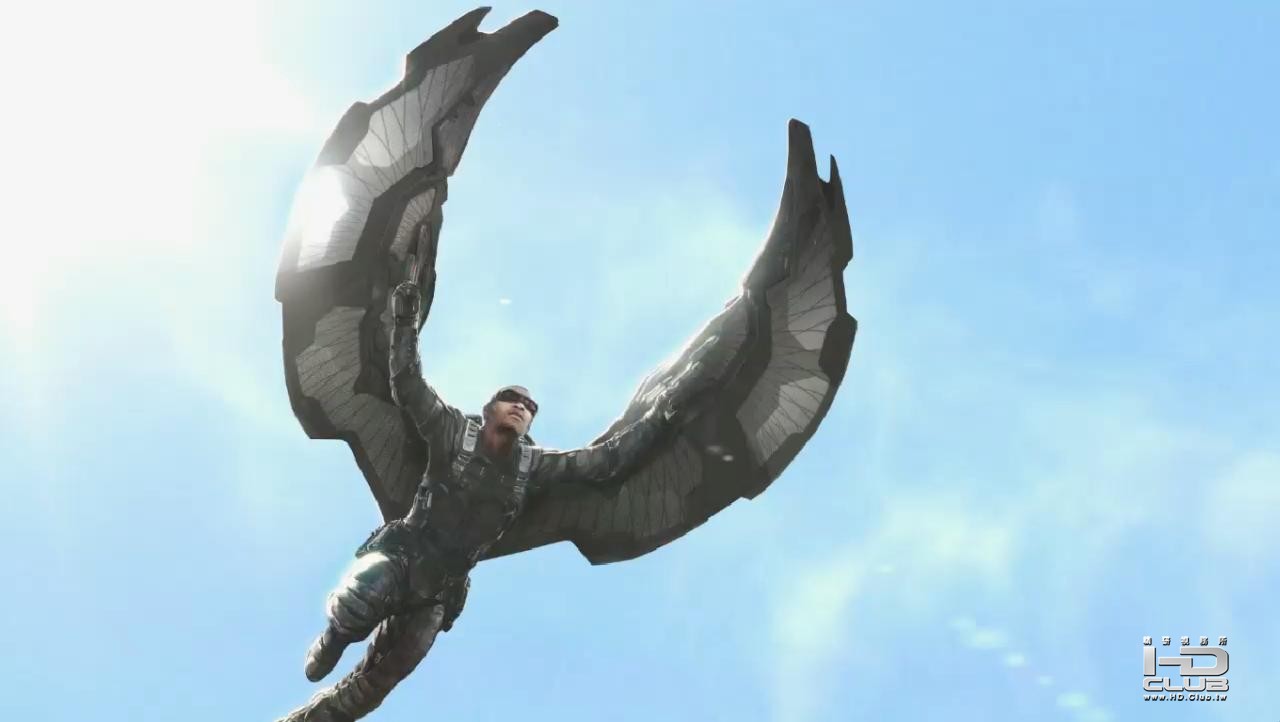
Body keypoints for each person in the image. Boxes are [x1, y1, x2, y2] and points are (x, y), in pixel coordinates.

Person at [279, 280, 694, 722]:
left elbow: (605, 461)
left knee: (383, 677)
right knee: (358, 598)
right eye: (511, 398)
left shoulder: (533, 466)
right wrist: (404, 322)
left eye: (529, 405)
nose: (521, 406)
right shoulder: (452, 431)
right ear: (490, 407)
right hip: (403, 555)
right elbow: (408, 384)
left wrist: (660, 416)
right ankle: (334, 639)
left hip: (440, 587)